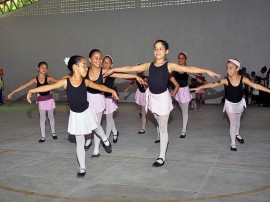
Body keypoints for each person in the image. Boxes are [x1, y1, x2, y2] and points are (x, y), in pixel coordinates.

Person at [103, 39, 220, 167]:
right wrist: (113, 70)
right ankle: (164, 141)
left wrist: (207, 71)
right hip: (152, 98)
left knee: (163, 128)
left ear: (166, 51)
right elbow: (131, 68)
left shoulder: (169, 66)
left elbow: (189, 68)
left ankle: (161, 157)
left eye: (160, 48)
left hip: (163, 99)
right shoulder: (149, 65)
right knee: (158, 123)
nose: (157, 51)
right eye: (155, 48)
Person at [27, 56, 118, 177]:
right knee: (80, 143)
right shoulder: (66, 82)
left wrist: (112, 91)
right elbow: (48, 87)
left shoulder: (85, 81)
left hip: (87, 112)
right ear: (75, 67)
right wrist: (32, 91)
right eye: (84, 65)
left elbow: (100, 87)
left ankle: (106, 140)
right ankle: (82, 167)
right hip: (75, 116)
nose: (86, 68)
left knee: (96, 127)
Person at [191, 59, 270, 151]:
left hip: (239, 103)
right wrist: (200, 87)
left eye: (231, 68)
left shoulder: (243, 78)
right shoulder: (226, 80)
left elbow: (255, 86)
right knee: (233, 123)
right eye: (227, 68)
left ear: (237, 69)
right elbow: (213, 84)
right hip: (230, 104)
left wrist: (268, 90)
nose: (228, 70)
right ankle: (233, 143)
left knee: (238, 120)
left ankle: (237, 134)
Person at [85, 49, 144, 157]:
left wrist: (135, 76)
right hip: (87, 100)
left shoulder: (103, 72)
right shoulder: (85, 71)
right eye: (96, 58)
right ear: (90, 59)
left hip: (98, 100)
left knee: (96, 125)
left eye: (100, 58)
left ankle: (96, 150)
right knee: (89, 124)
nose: (99, 60)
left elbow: (121, 75)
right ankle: (89, 140)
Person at [8, 62, 58, 142]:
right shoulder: (35, 79)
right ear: (38, 68)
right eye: (42, 67)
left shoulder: (49, 78)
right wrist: (13, 92)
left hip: (49, 99)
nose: (44, 69)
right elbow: (24, 86)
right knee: (42, 118)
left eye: (46, 67)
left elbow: (60, 82)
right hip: (41, 99)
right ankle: (43, 136)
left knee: (51, 116)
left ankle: (53, 133)